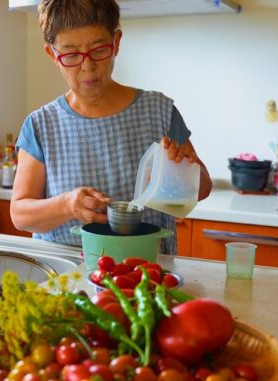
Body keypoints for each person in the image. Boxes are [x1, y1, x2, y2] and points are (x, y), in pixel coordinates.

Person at [11, 0, 212, 255]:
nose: (88, 67)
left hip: (146, 275)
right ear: (53, 55)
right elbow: (19, 214)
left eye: (98, 49)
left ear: (116, 42)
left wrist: (182, 172)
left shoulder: (159, 111)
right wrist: (66, 205)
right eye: (71, 55)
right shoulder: (41, 125)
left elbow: (202, 189)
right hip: (67, 278)